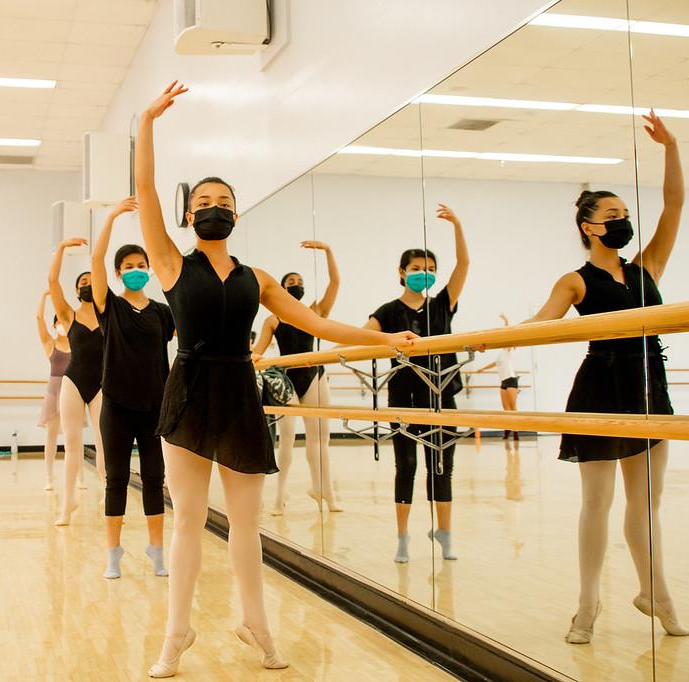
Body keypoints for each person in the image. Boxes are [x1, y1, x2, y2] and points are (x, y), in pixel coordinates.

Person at [135, 81, 419, 678]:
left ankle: (255, 623)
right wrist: (146, 124)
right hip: (187, 392)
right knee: (187, 519)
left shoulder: (258, 277)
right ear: (190, 214)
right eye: (203, 199)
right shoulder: (168, 262)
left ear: (236, 213)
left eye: (224, 199)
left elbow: (318, 322)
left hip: (239, 391)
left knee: (247, 523)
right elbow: (143, 193)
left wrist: (385, 340)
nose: (214, 206)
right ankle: (176, 632)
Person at [527, 110, 687, 644]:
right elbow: (542, 324)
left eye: (624, 212)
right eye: (611, 213)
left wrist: (671, 148)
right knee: (597, 502)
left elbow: (675, 205)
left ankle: (655, 593)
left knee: (647, 504)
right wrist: (484, 339)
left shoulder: (648, 268)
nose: (622, 219)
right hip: (601, 387)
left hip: (649, 388)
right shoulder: (576, 280)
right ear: (588, 226)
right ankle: (587, 604)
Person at [364, 204, 469, 564]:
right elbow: (363, 337)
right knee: (406, 466)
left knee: (441, 466)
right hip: (404, 398)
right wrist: (388, 339)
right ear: (401, 272)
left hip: (442, 397)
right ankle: (403, 536)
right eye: (416, 269)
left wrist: (457, 226)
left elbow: (464, 266)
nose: (423, 274)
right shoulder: (389, 311)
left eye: (429, 270)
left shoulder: (442, 305)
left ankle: (444, 531)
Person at [90, 197, 176, 580]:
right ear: (119, 273)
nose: (137, 271)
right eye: (129, 267)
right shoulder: (110, 307)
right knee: (117, 479)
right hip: (117, 406)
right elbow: (95, 263)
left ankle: (157, 550)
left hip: (155, 406)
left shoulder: (162, 313)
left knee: (156, 478)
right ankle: (113, 553)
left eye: (142, 266)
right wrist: (110, 218)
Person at [251, 242, 342, 514]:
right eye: (291, 281)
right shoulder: (273, 319)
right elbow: (259, 351)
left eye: (300, 281)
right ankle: (280, 496)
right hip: (286, 382)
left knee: (319, 439)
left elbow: (335, 283)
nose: (297, 284)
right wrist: (252, 359)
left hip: (315, 376)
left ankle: (325, 492)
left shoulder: (313, 312)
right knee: (287, 441)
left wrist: (328, 251)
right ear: (282, 288)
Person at [48, 250, 106, 526]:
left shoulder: (110, 316)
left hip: (102, 384)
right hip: (73, 382)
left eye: (91, 280)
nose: (87, 284)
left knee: (104, 442)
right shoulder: (68, 315)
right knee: (72, 444)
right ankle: (68, 500)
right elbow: (52, 281)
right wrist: (60, 250)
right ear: (76, 289)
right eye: (82, 281)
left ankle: (109, 495)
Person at [35, 291, 72, 491]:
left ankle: (77, 478)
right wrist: (45, 296)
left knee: (71, 437)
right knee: (51, 437)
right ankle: (49, 477)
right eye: (58, 322)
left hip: (71, 391)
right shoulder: (50, 344)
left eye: (64, 322)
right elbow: (39, 319)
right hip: (54, 391)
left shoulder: (76, 343)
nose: (62, 326)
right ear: (55, 325)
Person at [474, 314, 519, 439]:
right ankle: (507, 432)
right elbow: (494, 364)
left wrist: (506, 321)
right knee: (505, 409)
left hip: (511, 380)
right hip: (503, 382)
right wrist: (482, 369)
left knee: (513, 408)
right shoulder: (500, 355)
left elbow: (508, 334)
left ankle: (516, 432)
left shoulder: (507, 351)